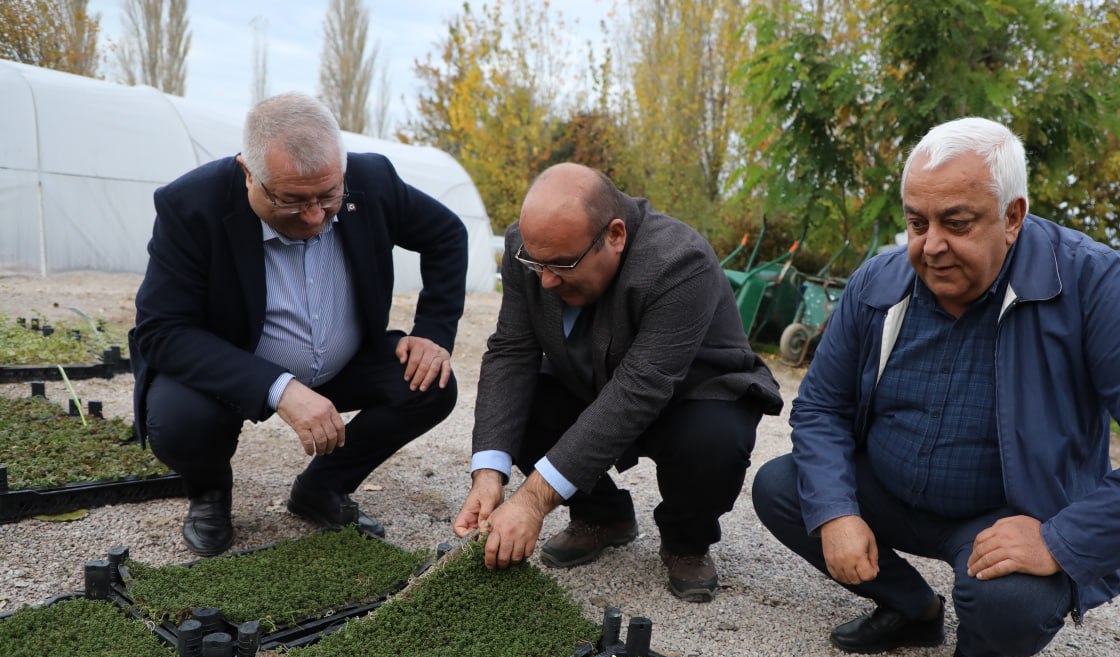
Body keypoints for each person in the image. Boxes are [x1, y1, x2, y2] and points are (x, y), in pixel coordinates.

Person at [752, 117, 1120, 657]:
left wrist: (1060, 539)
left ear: (1012, 216)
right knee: (785, 488)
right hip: (891, 489)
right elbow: (823, 405)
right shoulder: (879, 280)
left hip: (1001, 516)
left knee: (1011, 607)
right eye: (916, 222)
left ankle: (981, 647)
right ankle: (912, 608)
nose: (930, 246)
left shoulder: (1092, 284)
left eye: (956, 223)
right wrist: (835, 512)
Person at [131, 92, 465, 556]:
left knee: (429, 384)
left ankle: (322, 488)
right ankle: (209, 493)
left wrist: (433, 330)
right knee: (179, 420)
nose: (313, 216)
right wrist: (278, 387)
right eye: (291, 201)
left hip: (345, 363)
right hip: (238, 369)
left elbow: (447, 235)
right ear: (249, 172)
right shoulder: (192, 206)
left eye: (328, 197)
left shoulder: (371, 181)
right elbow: (162, 330)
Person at [452, 163, 782, 601]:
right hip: (595, 383)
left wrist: (532, 501)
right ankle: (603, 516)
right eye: (537, 264)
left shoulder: (681, 262)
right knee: (526, 403)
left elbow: (639, 388)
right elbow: (512, 351)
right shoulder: (526, 248)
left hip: (692, 396)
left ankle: (687, 541)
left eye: (562, 265)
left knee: (715, 441)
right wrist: (488, 473)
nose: (546, 281)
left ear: (615, 235)